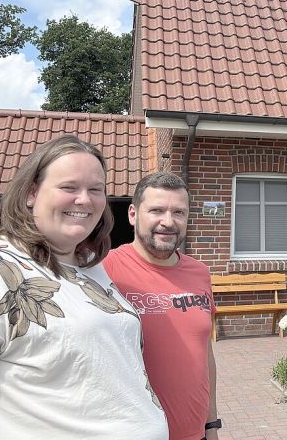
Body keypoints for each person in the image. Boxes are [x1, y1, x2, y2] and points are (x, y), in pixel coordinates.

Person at [0, 135, 168, 440]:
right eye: (69, 187)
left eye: (95, 190)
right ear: (31, 193)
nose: (85, 199)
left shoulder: (90, 268)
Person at [103, 172, 219, 440]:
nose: (168, 222)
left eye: (179, 212)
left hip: (195, 434)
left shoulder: (199, 272)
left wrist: (211, 425)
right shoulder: (104, 271)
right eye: (157, 210)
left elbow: (205, 356)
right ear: (133, 214)